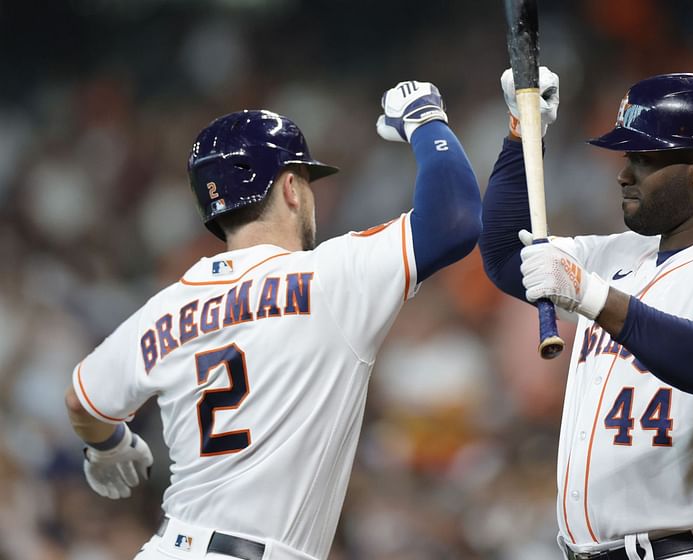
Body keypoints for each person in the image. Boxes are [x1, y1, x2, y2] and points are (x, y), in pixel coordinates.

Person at [64, 80, 482, 560]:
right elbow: (454, 220)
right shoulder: (330, 277)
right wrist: (425, 119)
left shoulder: (168, 305)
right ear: (289, 187)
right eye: (306, 181)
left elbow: (83, 401)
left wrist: (109, 447)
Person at [479, 68, 693, 560]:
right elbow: (508, 255)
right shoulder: (615, 256)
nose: (623, 172)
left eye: (644, 157)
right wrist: (521, 131)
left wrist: (594, 297)